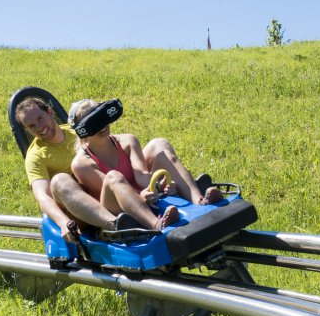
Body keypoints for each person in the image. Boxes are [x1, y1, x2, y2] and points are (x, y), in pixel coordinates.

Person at [67, 98, 221, 232]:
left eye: (101, 117)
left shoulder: (127, 140)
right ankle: (156, 224)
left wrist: (160, 186)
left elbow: (142, 177)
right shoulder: (82, 164)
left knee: (159, 144)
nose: (101, 126)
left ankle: (200, 201)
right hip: (117, 209)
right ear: (83, 131)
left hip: (142, 194)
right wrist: (141, 197)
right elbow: (115, 190)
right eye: (93, 123)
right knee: (114, 176)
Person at [14, 95, 139, 242]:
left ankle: (142, 201)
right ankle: (116, 226)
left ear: (50, 112)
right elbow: (43, 197)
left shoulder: (77, 131)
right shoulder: (35, 156)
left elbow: (111, 146)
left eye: (40, 119)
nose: (39, 127)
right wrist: (63, 222)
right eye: (32, 126)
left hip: (104, 193)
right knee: (60, 180)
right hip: (78, 211)